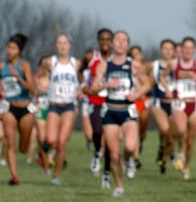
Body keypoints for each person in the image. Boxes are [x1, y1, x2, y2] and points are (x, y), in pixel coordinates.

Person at [90, 30, 148, 196]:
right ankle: (119, 186)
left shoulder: (134, 65)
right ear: (112, 44)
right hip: (110, 110)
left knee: (129, 146)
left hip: (127, 109)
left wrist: (136, 95)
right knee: (114, 154)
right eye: (118, 40)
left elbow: (147, 84)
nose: (121, 43)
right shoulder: (104, 65)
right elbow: (93, 88)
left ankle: (128, 160)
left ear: (127, 45)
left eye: (124, 40)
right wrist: (106, 85)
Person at [166, 36, 196, 180]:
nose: (188, 51)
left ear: (194, 50)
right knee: (180, 129)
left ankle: (186, 166)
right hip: (179, 102)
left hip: (194, 103)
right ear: (181, 49)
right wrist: (168, 89)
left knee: (191, 141)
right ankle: (180, 153)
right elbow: (162, 76)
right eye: (185, 48)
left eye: (191, 48)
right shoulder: (174, 63)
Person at [38, 34, 80, 186]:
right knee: (50, 140)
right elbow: (38, 77)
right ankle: (43, 153)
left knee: (62, 143)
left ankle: (56, 176)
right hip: (54, 105)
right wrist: (41, 85)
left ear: (70, 45)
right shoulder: (50, 62)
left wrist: (81, 90)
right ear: (56, 46)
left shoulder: (76, 64)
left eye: (65, 43)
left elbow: (83, 80)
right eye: (59, 43)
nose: (62, 46)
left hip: (68, 106)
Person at [0, 34, 36, 186]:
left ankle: (26, 149)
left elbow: (32, 88)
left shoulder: (24, 66)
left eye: (13, 48)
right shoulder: (2, 66)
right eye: (8, 47)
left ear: (19, 51)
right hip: (9, 107)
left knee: (23, 147)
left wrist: (19, 78)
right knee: (9, 142)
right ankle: (14, 176)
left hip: (25, 107)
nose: (9, 50)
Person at [81, 28, 114, 188]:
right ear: (98, 41)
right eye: (102, 39)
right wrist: (83, 86)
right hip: (95, 99)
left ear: (112, 41)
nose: (105, 42)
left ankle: (106, 175)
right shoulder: (91, 57)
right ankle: (96, 153)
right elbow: (81, 70)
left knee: (110, 141)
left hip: (113, 102)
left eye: (108, 39)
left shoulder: (119, 59)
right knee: (98, 132)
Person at [150, 39, 177, 174]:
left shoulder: (179, 65)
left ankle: (164, 160)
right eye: (165, 48)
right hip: (159, 102)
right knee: (164, 128)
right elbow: (140, 73)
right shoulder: (154, 65)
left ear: (174, 51)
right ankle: (161, 146)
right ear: (161, 50)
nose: (167, 51)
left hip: (174, 104)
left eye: (170, 48)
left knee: (172, 138)